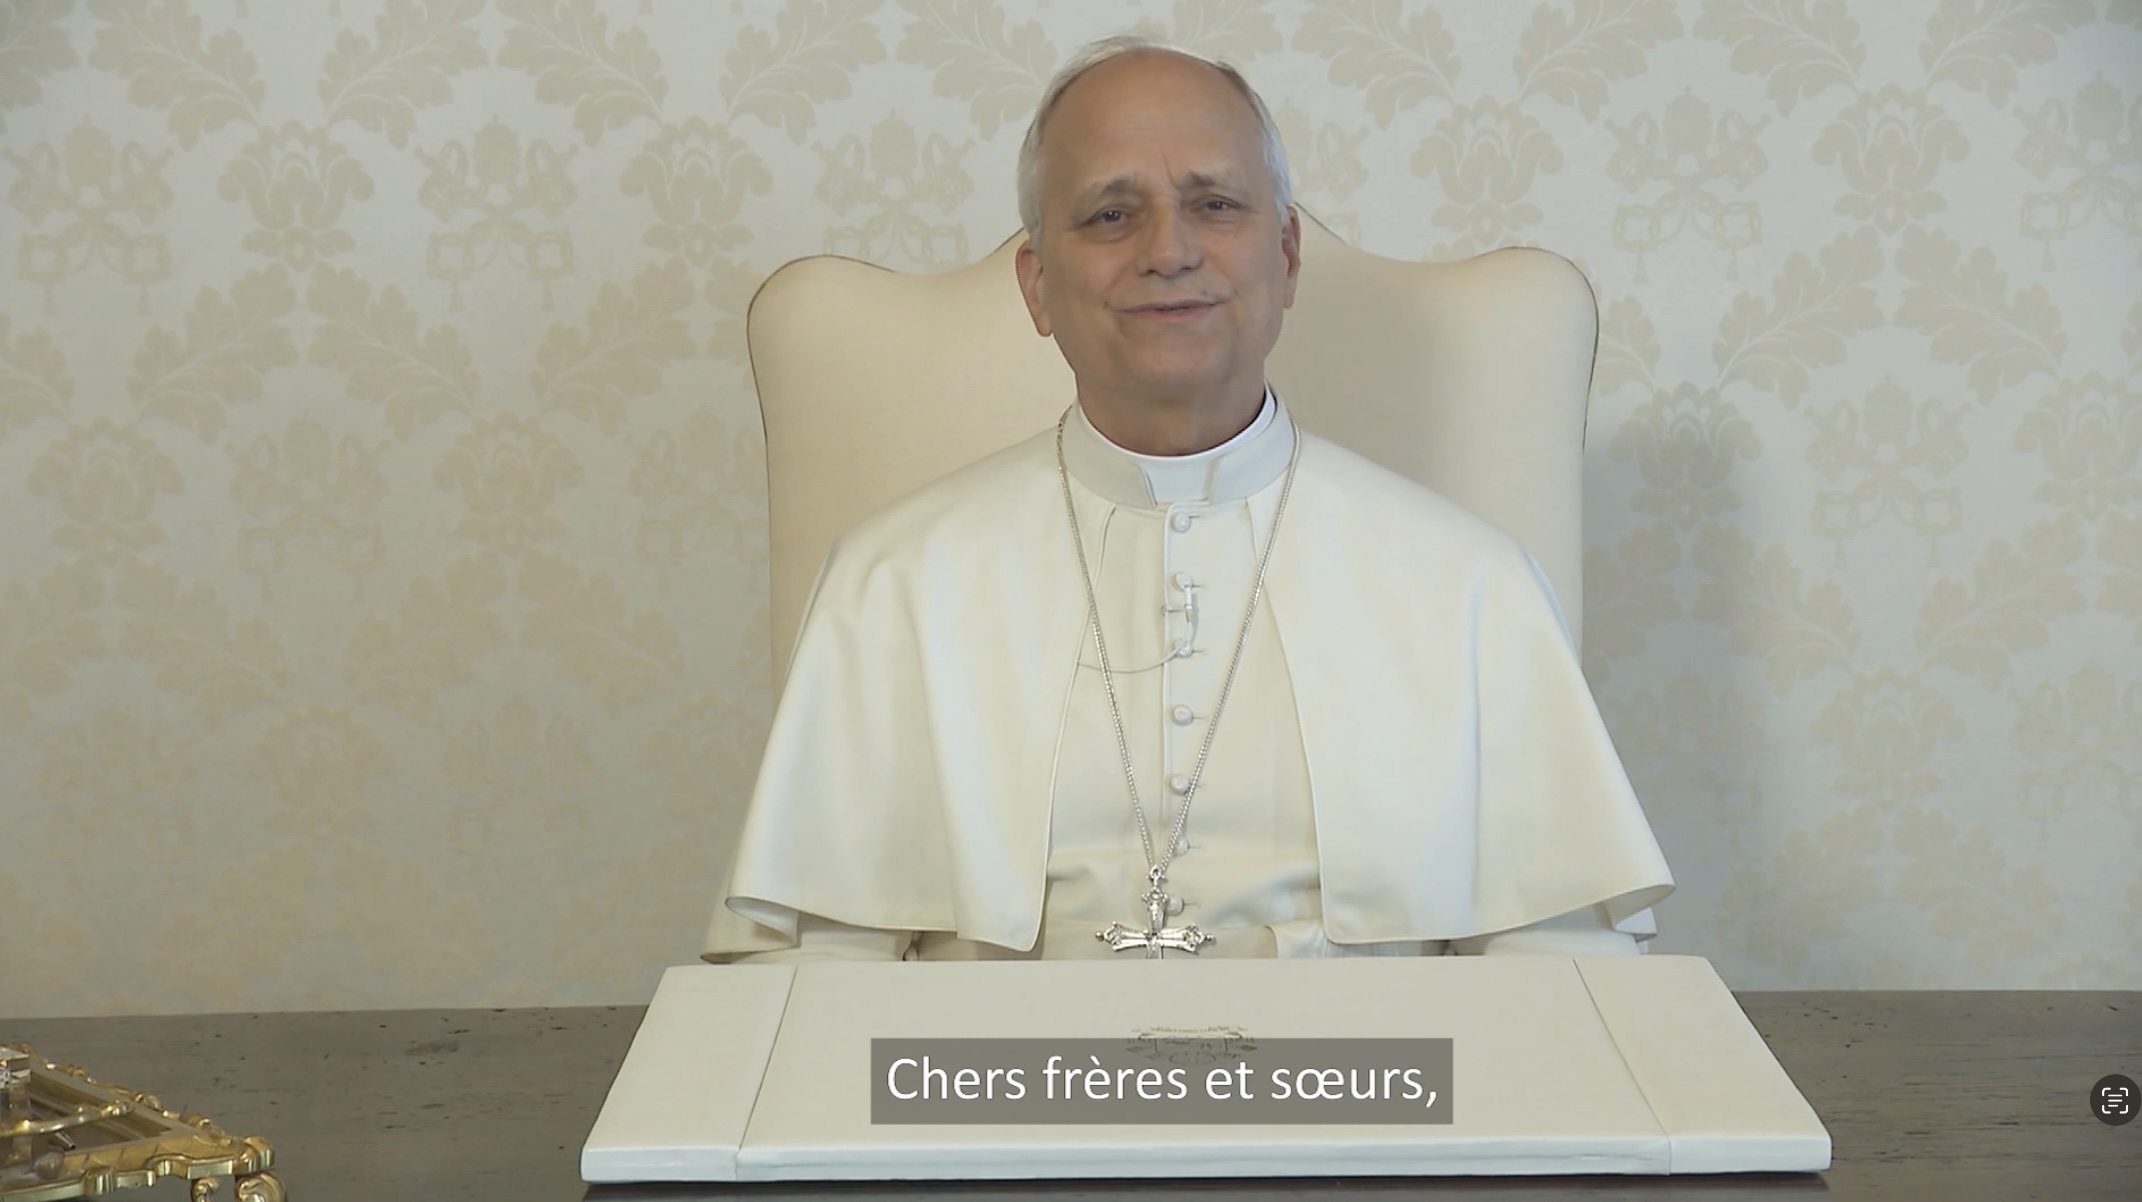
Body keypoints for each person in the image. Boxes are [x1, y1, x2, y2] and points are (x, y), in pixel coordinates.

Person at [703, 35, 1672, 963]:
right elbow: (811, 986)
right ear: (1037, 286)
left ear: (1286, 258)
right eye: (1110, 215)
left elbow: (1561, 977)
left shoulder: (1469, 586)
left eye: (1214, 204)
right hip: (994, 1077)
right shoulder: (892, 585)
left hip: (1365, 1076)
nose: (1168, 250)